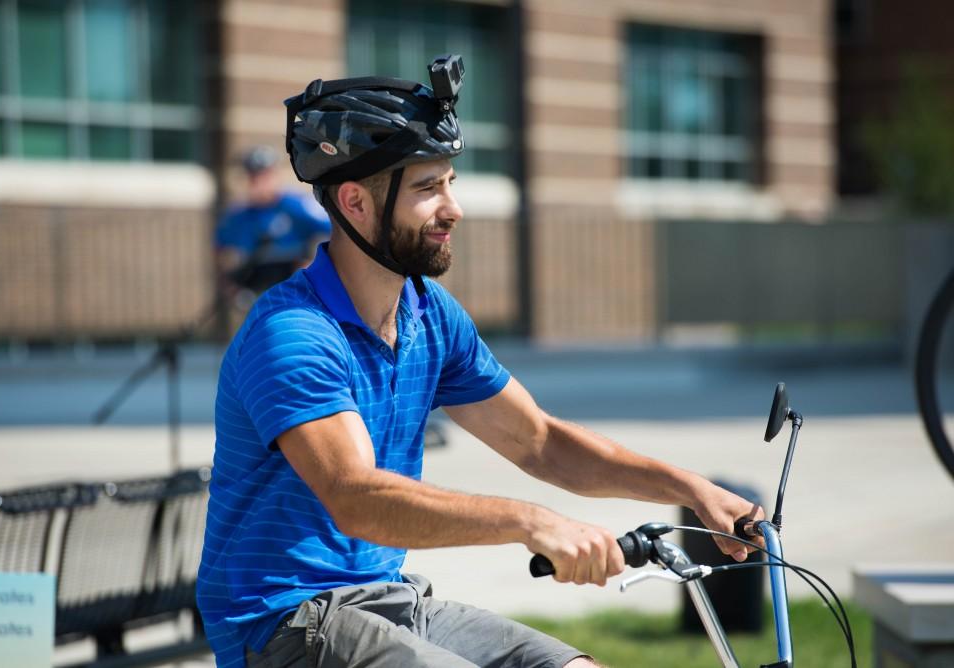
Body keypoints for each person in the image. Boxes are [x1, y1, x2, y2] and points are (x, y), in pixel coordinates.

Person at [197, 65, 763, 668]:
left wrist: (692, 490)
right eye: (427, 189)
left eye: (450, 182)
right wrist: (528, 521)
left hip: (389, 602)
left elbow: (539, 441)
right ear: (355, 201)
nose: (454, 208)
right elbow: (355, 496)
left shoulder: (429, 314)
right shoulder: (293, 335)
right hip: (285, 621)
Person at [215, 146, 331, 305]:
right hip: (257, 288)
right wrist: (232, 287)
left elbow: (332, 231)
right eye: (254, 176)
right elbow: (221, 252)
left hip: (296, 284)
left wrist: (312, 264)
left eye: (265, 175)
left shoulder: (298, 205)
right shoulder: (238, 216)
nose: (260, 182)